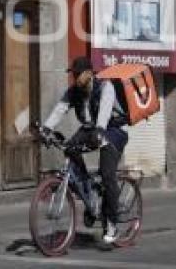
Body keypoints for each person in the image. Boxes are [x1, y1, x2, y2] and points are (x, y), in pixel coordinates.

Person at [41, 56, 129, 245]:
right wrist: (46, 129)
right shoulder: (74, 91)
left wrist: (99, 132)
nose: (75, 78)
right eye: (73, 74)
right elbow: (60, 109)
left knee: (107, 174)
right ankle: (91, 198)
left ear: (89, 73)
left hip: (114, 130)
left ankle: (112, 225)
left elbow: (104, 115)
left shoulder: (105, 87)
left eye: (77, 74)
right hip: (91, 129)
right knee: (70, 149)